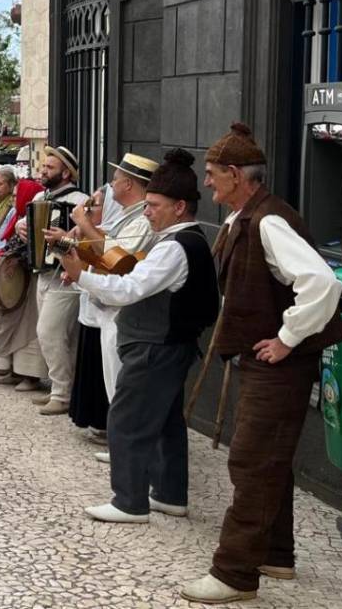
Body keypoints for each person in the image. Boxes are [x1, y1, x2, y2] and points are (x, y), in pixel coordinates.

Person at [180, 123, 342, 605]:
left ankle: (234, 574)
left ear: (236, 174)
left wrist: (286, 338)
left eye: (213, 174)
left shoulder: (270, 221)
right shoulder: (246, 218)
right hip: (266, 364)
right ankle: (277, 555)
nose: (207, 183)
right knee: (269, 460)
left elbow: (323, 283)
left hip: (279, 368)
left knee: (252, 461)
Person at [61, 149, 220, 530]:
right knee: (166, 422)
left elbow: (128, 288)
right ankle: (169, 495)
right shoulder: (183, 242)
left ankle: (130, 501)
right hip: (166, 344)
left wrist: (81, 273)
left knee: (127, 421)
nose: (147, 212)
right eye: (147, 204)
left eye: (154, 205)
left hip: (155, 346)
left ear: (179, 207)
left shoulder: (175, 248)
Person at [49, 152, 158, 438]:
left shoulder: (143, 220)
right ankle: (121, 440)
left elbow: (118, 258)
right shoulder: (127, 216)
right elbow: (101, 250)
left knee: (122, 382)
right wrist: (67, 246)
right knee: (113, 380)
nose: (112, 184)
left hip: (123, 308)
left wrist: (83, 224)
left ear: (129, 185)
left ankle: (126, 443)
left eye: (116, 178)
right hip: (108, 305)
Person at [16, 146, 89, 416]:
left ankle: (61, 393)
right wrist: (19, 227)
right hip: (43, 272)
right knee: (56, 335)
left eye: (49, 168)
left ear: (66, 172)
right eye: (43, 166)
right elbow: (24, 222)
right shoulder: (39, 196)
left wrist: (66, 240)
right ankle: (64, 391)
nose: (42, 171)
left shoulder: (80, 200)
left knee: (50, 333)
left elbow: (86, 238)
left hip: (65, 276)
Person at [0, 169, 47, 387]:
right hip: (15, 281)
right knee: (12, 324)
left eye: (19, 196)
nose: (16, 199)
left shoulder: (32, 220)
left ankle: (30, 375)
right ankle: (14, 370)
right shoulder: (17, 219)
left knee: (28, 329)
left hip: (28, 281)